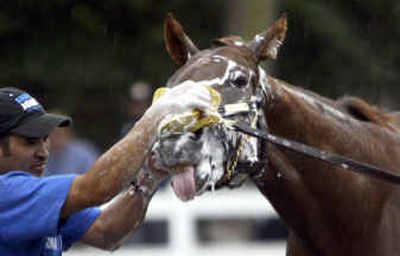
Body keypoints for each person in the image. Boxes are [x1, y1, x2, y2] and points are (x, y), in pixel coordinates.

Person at [0, 84, 213, 255]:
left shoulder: (29, 196)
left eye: (45, 139)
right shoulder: (6, 193)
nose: (43, 152)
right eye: (29, 142)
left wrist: (152, 172)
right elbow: (96, 189)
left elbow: (106, 232)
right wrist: (156, 117)